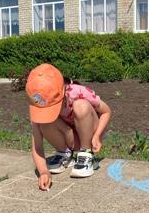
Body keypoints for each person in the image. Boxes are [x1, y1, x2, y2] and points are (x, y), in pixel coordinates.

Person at [26, 63, 111, 191]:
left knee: (80, 106)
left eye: (52, 107)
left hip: (88, 136)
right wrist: (43, 172)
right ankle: (64, 154)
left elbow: (106, 111)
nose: (47, 110)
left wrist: (97, 136)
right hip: (70, 139)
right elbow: (37, 146)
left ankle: (86, 154)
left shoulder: (78, 92)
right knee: (43, 121)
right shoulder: (38, 104)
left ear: (64, 90)